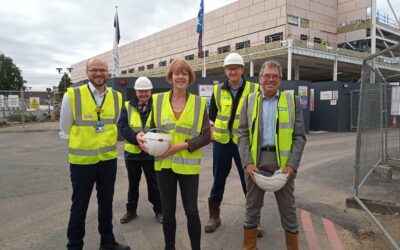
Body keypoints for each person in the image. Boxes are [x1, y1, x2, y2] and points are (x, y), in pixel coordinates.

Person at [137, 58, 211, 250]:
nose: (180, 77)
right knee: (168, 212)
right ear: (170, 77)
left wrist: (182, 145)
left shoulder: (198, 103)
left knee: (192, 211)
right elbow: (151, 129)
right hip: (164, 164)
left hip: (188, 165)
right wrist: (142, 137)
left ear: (190, 77)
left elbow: (206, 136)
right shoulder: (158, 99)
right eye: (177, 73)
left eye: (184, 73)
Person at [60, 58, 130, 250]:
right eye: (94, 70)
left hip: (107, 160)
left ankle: (107, 242)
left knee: (106, 204)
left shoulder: (116, 97)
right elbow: (65, 130)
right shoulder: (72, 95)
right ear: (87, 72)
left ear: (108, 72)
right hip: (82, 162)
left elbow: (114, 125)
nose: (99, 73)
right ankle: (74, 245)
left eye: (102, 70)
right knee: (79, 206)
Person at [237, 60, 306, 250]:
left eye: (275, 76)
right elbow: (242, 134)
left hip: (282, 164)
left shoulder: (292, 101)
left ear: (280, 80)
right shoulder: (249, 100)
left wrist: (292, 165)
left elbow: (299, 136)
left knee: (288, 211)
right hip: (256, 163)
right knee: (252, 209)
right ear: (260, 78)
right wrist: (247, 163)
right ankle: (249, 247)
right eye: (267, 75)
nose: (270, 79)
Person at [206, 52, 261, 234]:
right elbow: (213, 115)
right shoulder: (217, 90)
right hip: (222, 141)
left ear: (242, 70)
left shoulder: (254, 89)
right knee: (218, 179)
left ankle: (254, 220)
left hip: (243, 143)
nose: (233, 71)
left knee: (249, 180)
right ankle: (214, 216)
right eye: (230, 68)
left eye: (236, 68)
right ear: (225, 71)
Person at [118, 76, 163, 224]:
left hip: (151, 152)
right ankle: (131, 211)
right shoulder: (127, 106)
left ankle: (159, 210)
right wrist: (135, 137)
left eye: (146, 91)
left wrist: (151, 139)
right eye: (140, 92)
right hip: (133, 153)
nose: (144, 94)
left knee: (154, 184)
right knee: (133, 185)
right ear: (136, 92)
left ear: (151, 91)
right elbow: (122, 126)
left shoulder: (158, 105)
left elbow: (161, 126)